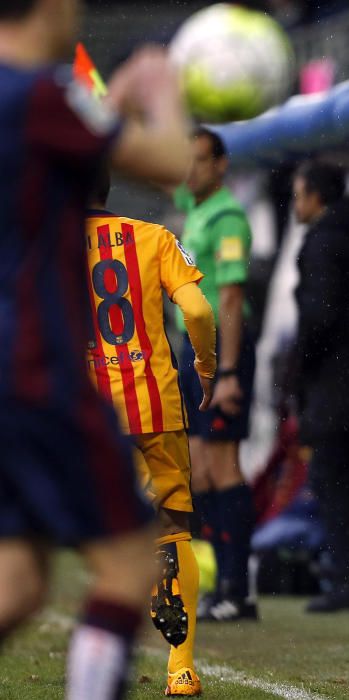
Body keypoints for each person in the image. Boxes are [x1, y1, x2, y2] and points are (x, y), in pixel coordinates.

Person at [0, 1, 191, 698]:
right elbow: (171, 162)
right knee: (131, 563)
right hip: (37, 368)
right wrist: (158, 91)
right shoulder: (41, 93)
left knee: (17, 584)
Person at [85, 172, 216, 696]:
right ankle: (180, 669)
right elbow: (200, 310)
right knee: (172, 529)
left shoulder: (46, 243)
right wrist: (205, 365)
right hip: (155, 406)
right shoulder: (154, 236)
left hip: (89, 413)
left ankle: (103, 651)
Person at [174, 127, 258, 622]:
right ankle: (222, 584)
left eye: (201, 161)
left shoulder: (227, 217)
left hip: (220, 354)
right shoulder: (197, 206)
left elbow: (230, 297)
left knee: (225, 468)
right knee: (201, 470)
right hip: (193, 348)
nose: (191, 169)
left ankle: (237, 590)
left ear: (221, 165)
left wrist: (225, 371)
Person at [291, 161, 349, 612]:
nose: (294, 203)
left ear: (316, 197)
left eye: (299, 193)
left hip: (336, 378)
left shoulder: (324, 243)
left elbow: (318, 316)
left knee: (334, 477)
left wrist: (296, 369)